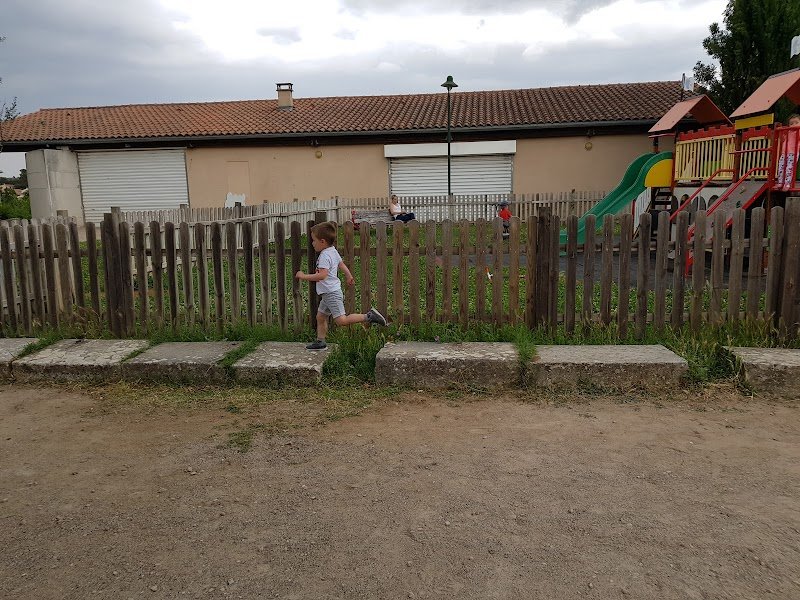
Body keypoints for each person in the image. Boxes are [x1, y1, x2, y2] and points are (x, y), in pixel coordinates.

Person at [295, 222, 387, 350]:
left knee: (341, 321)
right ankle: (320, 341)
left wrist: (303, 276)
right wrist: (349, 276)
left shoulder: (324, 256)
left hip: (331, 293)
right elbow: (341, 264)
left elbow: (322, 275)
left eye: (314, 241)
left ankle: (369, 316)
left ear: (322, 241)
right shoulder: (332, 251)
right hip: (328, 293)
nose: (312, 243)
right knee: (320, 317)